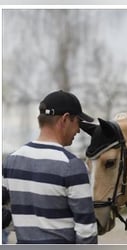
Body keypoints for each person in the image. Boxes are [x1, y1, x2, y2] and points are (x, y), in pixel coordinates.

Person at [2, 90, 98, 244]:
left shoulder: (12, 161)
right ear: (65, 119)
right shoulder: (72, 166)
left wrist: (23, 226)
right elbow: (87, 231)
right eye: (78, 122)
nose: (79, 130)